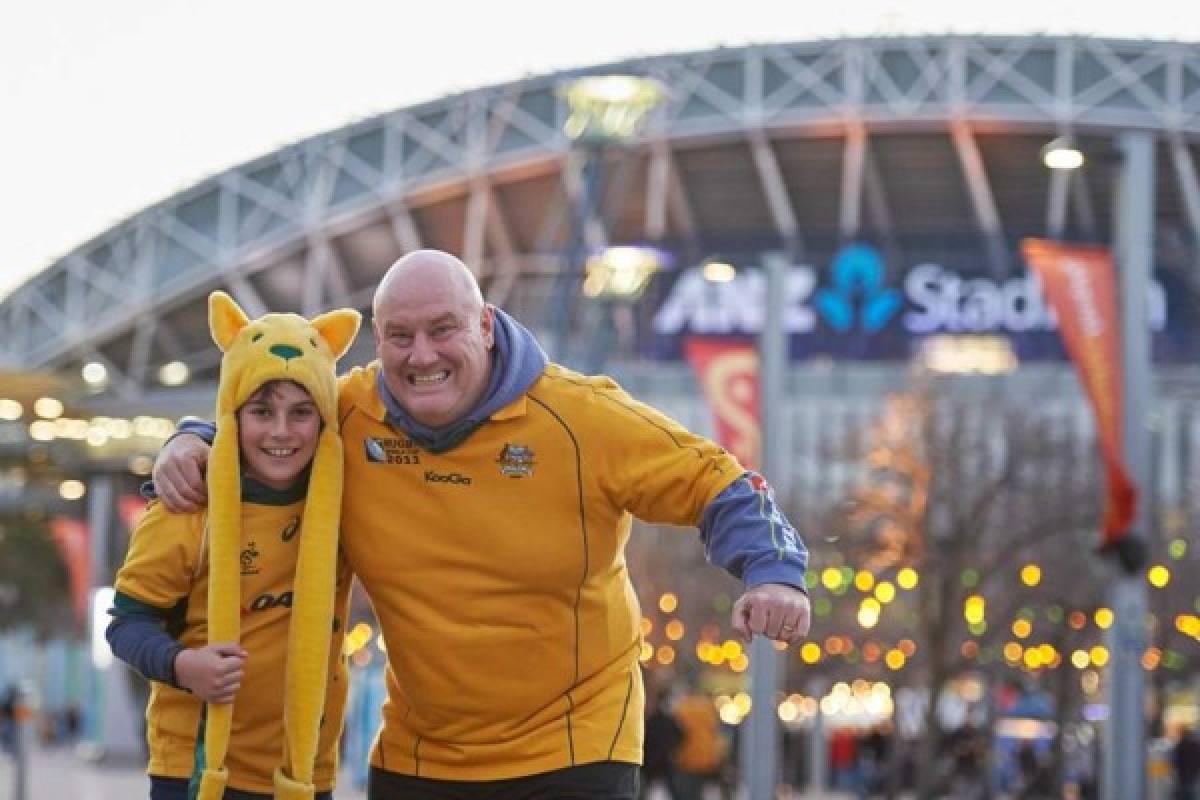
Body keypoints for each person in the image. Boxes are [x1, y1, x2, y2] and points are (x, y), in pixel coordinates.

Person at [153, 249, 812, 800]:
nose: (422, 355)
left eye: (445, 329)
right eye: (400, 336)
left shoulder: (579, 417)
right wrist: (193, 438)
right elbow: (272, 416)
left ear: (487, 326)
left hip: (573, 745)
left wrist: (774, 572)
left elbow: (718, 480)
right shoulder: (349, 416)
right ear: (377, 340)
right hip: (420, 754)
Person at [108, 292, 361, 799]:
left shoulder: (344, 499)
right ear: (234, 415)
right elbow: (126, 625)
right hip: (198, 773)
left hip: (307, 772)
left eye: (302, 413)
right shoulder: (187, 503)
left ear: (325, 419)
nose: (281, 432)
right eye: (262, 411)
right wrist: (184, 666)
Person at [1175, 727, 1200, 800]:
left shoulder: (1181, 744)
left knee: (1184, 791)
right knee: (1192, 791)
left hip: (1183, 774)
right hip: (1193, 773)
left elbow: (1177, 760)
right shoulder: (1195, 744)